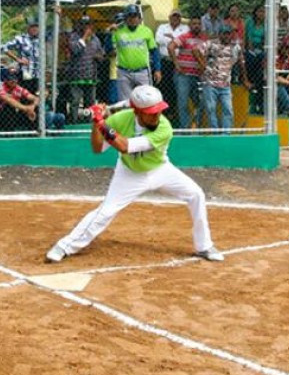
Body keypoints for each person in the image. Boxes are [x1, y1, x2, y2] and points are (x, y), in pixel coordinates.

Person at [45, 85, 223, 263]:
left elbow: (125, 146)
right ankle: (64, 246)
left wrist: (103, 124)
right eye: (151, 112)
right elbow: (98, 148)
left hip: (160, 169)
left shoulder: (164, 127)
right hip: (129, 173)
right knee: (105, 212)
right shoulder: (120, 120)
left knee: (196, 194)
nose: (156, 116)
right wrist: (97, 124)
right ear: (137, 112)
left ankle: (204, 246)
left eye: (158, 111)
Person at [194, 23, 241, 132]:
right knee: (211, 109)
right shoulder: (211, 43)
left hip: (225, 84)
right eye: (224, 34)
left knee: (228, 110)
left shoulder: (235, 47)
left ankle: (226, 134)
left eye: (228, 34)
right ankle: (215, 133)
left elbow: (240, 61)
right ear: (219, 34)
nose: (226, 36)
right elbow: (195, 50)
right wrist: (202, 64)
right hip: (210, 83)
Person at [111, 3, 160, 102]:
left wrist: (157, 69)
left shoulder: (146, 31)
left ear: (139, 18)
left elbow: (154, 51)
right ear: (125, 18)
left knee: (146, 100)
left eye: (134, 16)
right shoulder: (118, 31)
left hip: (142, 72)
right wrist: (109, 33)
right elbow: (108, 49)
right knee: (125, 102)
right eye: (129, 16)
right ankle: (129, 118)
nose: (132, 19)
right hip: (124, 72)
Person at [0, 67, 64, 131]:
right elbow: (10, 101)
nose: (13, 81)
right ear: (5, 80)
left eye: (15, 79)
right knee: (10, 107)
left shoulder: (18, 88)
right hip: (0, 116)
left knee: (59, 116)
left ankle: (48, 132)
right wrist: (27, 108)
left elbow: (34, 98)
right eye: (10, 79)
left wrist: (32, 106)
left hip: (16, 114)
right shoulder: (0, 88)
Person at [168, 15, 207, 129]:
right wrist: (176, 64)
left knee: (200, 103)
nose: (197, 26)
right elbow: (171, 47)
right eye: (194, 24)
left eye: (199, 24)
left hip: (198, 76)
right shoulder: (184, 37)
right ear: (189, 26)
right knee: (183, 103)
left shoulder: (204, 39)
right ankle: (184, 129)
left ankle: (196, 126)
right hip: (183, 76)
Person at [65, 16, 106, 117]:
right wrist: (84, 37)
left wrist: (99, 56)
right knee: (75, 101)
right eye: (84, 24)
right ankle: (73, 122)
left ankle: (88, 121)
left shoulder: (95, 38)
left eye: (88, 24)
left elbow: (101, 54)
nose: (86, 26)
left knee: (90, 102)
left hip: (91, 75)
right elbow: (74, 50)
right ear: (80, 25)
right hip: (76, 75)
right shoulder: (74, 36)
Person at [3, 17, 42, 94]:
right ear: (28, 28)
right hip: (26, 73)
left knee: (37, 96)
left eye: (36, 27)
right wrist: (17, 59)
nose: (34, 29)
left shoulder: (42, 39)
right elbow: (4, 47)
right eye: (32, 27)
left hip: (38, 74)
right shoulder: (21, 39)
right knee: (25, 95)